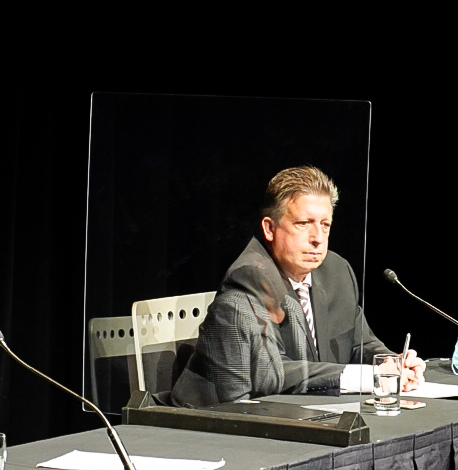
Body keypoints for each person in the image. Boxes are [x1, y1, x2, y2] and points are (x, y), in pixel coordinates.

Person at [170, 166, 422, 406]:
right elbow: (272, 371)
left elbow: (359, 343)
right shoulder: (250, 278)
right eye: (304, 223)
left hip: (305, 414)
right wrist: (371, 377)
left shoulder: (337, 271)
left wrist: (392, 363)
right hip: (212, 422)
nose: (317, 238)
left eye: (325, 225)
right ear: (270, 228)